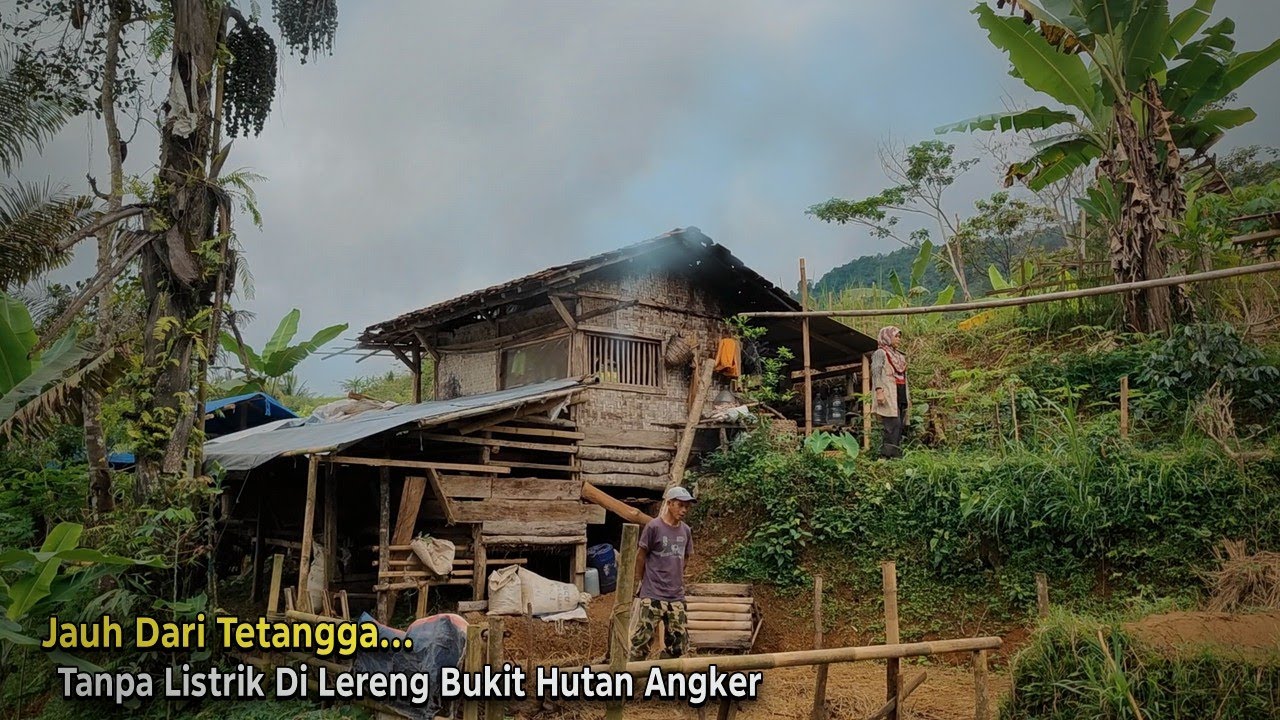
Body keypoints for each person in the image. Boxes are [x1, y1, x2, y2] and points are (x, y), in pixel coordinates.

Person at [629, 485, 695, 661]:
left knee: (679, 642)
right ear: (669, 503)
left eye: (687, 507)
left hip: (676, 596)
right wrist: (641, 581)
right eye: (680, 505)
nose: (684, 510)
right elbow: (640, 556)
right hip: (653, 594)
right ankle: (632, 681)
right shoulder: (654, 527)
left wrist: (676, 577)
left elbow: (686, 557)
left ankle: (664, 677)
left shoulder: (686, 531)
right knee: (641, 640)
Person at [871, 325, 908, 458]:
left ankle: (895, 455)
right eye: (896, 336)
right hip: (888, 392)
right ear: (887, 337)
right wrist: (879, 391)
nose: (898, 339)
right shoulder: (880, 353)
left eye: (899, 336)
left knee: (900, 424)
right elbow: (876, 372)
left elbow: (903, 376)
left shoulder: (900, 356)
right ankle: (886, 456)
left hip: (900, 391)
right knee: (892, 424)